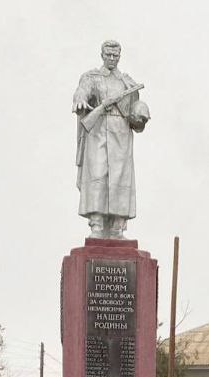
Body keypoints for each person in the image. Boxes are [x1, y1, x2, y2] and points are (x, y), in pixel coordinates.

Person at [73, 40, 150, 238]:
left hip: (121, 135)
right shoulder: (92, 77)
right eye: (108, 55)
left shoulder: (127, 82)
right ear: (102, 55)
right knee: (98, 175)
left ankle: (117, 227)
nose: (112, 59)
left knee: (119, 178)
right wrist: (80, 100)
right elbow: (82, 91)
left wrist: (140, 115)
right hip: (98, 131)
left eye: (115, 56)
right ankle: (96, 223)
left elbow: (134, 110)